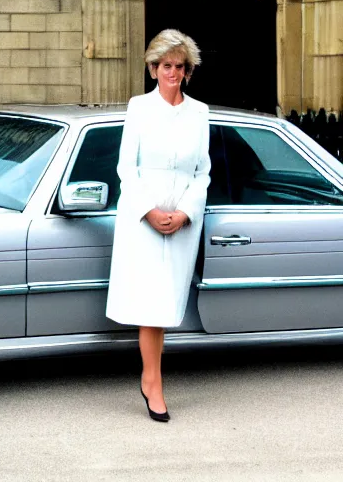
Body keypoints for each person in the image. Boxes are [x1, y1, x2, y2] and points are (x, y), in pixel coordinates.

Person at [106, 29, 211, 422]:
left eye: (179, 67)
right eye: (166, 66)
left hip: (181, 222)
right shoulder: (139, 107)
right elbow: (125, 168)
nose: (172, 72)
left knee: (166, 304)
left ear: (187, 71)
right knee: (151, 304)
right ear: (153, 69)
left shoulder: (199, 112)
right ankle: (153, 382)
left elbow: (203, 172)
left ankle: (152, 378)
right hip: (143, 221)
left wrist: (184, 212)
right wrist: (150, 210)